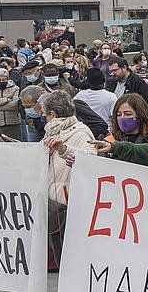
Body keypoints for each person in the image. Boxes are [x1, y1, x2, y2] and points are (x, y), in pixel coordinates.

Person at [36, 90, 100, 266]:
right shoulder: (53, 132)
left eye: (43, 113)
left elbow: (90, 156)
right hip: (55, 202)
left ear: (52, 114)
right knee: (60, 256)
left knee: (70, 260)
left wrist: (64, 149)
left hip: (69, 205)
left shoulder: (79, 132)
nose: (41, 116)